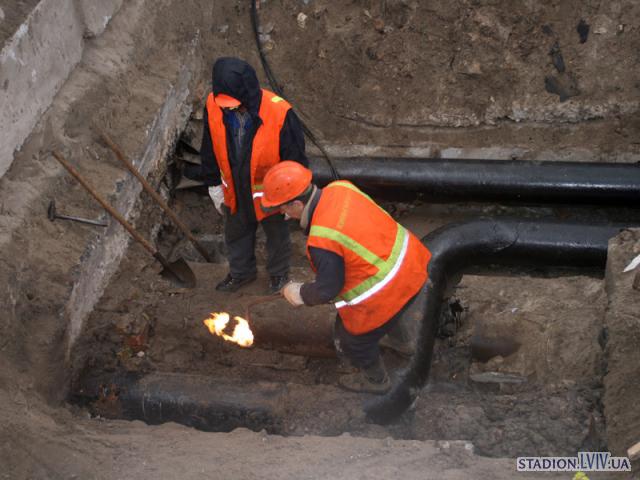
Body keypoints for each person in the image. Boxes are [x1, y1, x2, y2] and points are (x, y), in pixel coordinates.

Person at [260, 161, 432, 394]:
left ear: (298, 204)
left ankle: (376, 383)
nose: (283, 215)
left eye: (284, 209)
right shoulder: (341, 188)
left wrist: (299, 293)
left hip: (390, 288)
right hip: (412, 266)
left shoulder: (323, 240)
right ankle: (405, 344)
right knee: (394, 309)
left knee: (354, 340)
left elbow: (327, 289)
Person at [184, 57, 307, 293]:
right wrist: (213, 184)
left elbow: (295, 158)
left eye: (233, 102)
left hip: (271, 191)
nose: (229, 107)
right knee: (236, 232)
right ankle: (241, 274)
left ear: (247, 92)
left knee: (276, 235)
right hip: (235, 188)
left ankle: (279, 275)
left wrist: (290, 197)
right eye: (225, 103)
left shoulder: (279, 112)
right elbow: (209, 145)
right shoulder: (214, 104)